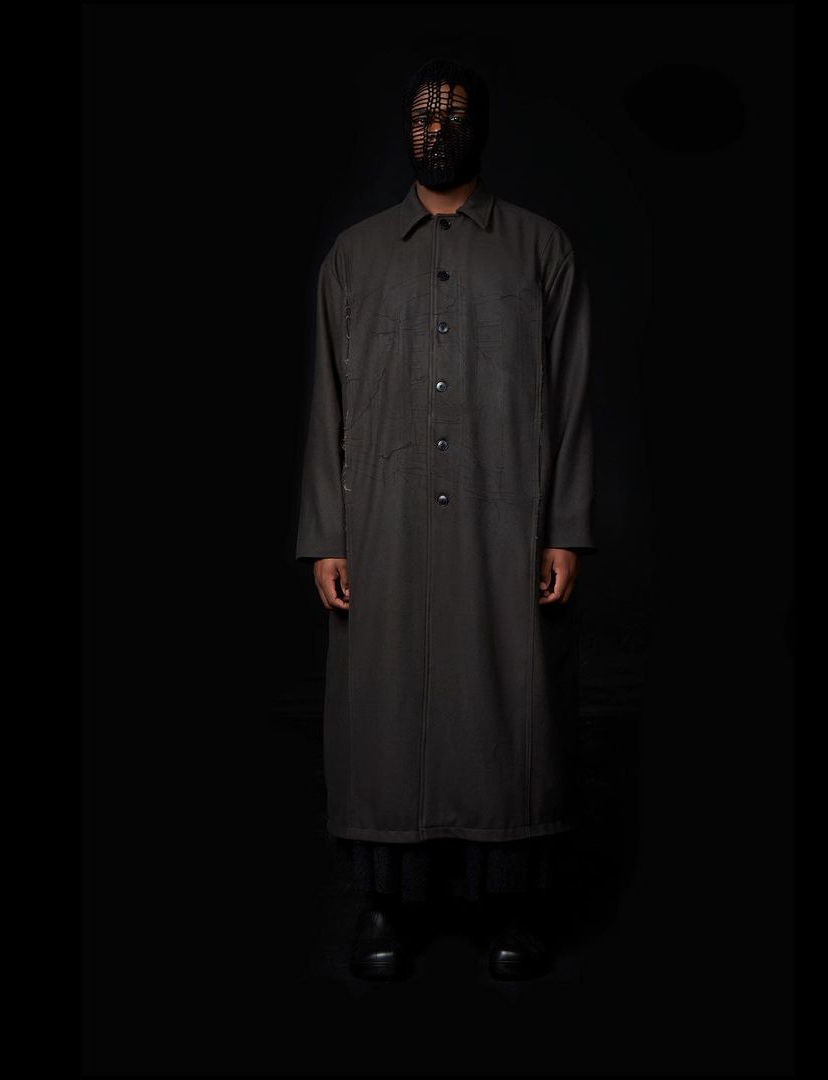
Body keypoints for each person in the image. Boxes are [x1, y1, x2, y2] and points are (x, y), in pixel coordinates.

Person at [296, 57, 596, 980]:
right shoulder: (353, 256)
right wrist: (326, 535)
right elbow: (327, 401)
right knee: (383, 712)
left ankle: (509, 904)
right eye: (422, 119)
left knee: (507, 709)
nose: (436, 134)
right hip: (380, 526)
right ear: (405, 132)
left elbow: (573, 396)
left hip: (505, 523)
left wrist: (565, 527)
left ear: (482, 129)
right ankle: (385, 904)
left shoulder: (540, 250)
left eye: (453, 118)